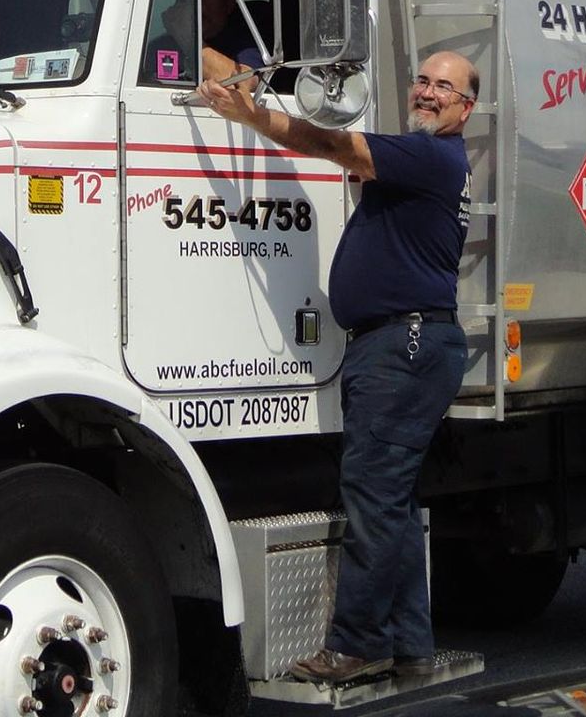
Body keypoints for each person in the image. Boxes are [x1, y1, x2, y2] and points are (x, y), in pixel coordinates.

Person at [198, 50, 477, 684]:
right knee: (392, 501)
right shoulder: (424, 160)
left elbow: (331, 144)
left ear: (466, 108)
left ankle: (358, 644)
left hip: (403, 346)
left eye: (445, 87)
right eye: (423, 80)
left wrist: (253, 115)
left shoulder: (430, 157)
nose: (428, 92)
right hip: (405, 343)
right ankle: (410, 645)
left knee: (373, 498)